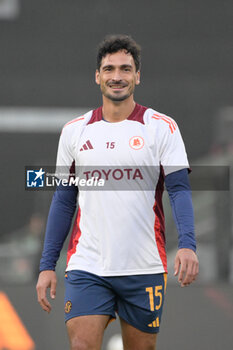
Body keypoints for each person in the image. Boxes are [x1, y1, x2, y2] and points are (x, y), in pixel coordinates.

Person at [36, 34, 199, 350]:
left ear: (137, 76)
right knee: (82, 345)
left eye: (125, 69)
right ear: (97, 76)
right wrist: (46, 265)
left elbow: (179, 190)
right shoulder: (74, 131)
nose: (117, 77)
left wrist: (188, 245)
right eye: (109, 69)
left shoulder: (161, 127)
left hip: (144, 266)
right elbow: (63, 199)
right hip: (88, 265)